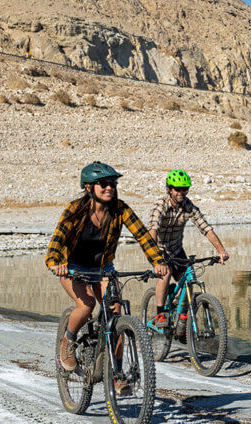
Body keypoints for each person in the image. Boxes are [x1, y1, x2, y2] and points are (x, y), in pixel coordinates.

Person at [45, 161, 168, 389]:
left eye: (112, 183)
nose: (109, 187)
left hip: (103, 269)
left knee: (115, 316)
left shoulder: (120, 209)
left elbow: (142, 236)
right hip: (72, 267)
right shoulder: (76, 209)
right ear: (89, 187)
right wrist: (56, 263)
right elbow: (57, 240)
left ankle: (116, 375)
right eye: (103, 184)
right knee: (87, 305)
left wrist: (158, 261)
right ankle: (68, 341)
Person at [148, 169, 230, 328]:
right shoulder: (160, 205)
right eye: (178, 189)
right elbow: (152, 230)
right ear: (169, 189)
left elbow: (205, 228)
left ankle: (182, 318)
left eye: (185, 189)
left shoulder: (188, 205)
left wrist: (221, 251)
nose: (181, 192)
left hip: (177, 250)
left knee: (189, 281)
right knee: (165, 274)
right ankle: (160, 314)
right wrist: (156, 258)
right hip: (158, 249)